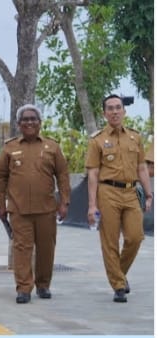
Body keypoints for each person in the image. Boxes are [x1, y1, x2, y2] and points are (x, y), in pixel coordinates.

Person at [0, 104, 71, 304]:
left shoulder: (52, 147)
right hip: (19, 210)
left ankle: (43, 285)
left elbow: (62, 175)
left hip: (46, 209)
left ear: (39, 123)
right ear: (19, 124)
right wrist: (0, 205)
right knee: (22, 248)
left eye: (33, 119)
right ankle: (23, 288)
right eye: (25, 119)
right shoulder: (9, 147)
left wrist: (64, 202)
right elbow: (0, 177)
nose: (29, 122)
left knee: (46, 249)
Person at [85, 94, 152, 303]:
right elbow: (93, 174)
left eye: (118, 107)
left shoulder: (135, 137)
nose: (114, 111)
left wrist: (149, 194)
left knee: (135, 237)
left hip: (131, 192)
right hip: (108, 193)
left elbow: (142, 168)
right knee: (110, 241)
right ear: (104, 113)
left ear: (124, 111)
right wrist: (92, 205)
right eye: (110, 108)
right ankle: (119, 285)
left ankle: (118, 274)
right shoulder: (97, 140)